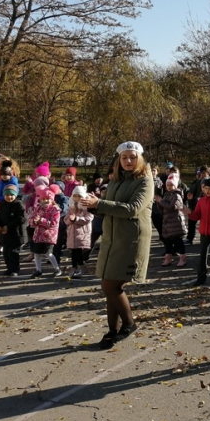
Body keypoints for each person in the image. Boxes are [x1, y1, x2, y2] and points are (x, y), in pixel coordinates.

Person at [79, 141, 155, 349]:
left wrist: (100, 204)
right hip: (112, 238)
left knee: (110, 285)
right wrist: (94, 204)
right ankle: (113, 330)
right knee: (110, 285)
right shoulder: (115, 180)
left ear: (139, 159)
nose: (128, 161)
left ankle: (129, 324)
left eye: (132, 157)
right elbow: (110, 207)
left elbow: (132, 208)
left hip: (131, 239)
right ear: (118, 160)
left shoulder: (145, 180)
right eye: (124, 158)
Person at [27, 186, 61, 278]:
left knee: (48, 253)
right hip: (38, 235)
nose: (45, 201)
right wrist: (34, 221)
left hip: (49, 236)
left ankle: (57, 268)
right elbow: (30, 219)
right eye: (43, 199)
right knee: (36, 253)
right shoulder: (37, 208)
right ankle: (38, 270)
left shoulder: (55, 210)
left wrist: (41, 220)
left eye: (48, 199)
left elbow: (54, 223)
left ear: (52, 199)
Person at [0, 184, 26, 276]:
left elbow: (21, 219)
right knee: (6, 253)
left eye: (11, 195)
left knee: (13, 253)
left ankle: (15, 269)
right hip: (4, 234)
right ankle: (9, 268)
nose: (9, 197)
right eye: (7, 195)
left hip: (16, 234)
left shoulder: (18, 205)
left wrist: (8, 226)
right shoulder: (1, 204)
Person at [159, 173, 188, 267]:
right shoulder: (166, 195)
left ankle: (182, 258)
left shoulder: (177, 195)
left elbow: (172, 206)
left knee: (178, 241)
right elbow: (162, 209)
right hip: (167, 223)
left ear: (175, 185)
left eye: (171, 185)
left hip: (176, 222)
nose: (169, 187)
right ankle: (168, 258)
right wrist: (158, 202)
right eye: (168, 185)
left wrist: (161, 201)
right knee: (168, 242)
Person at [65, 186, 93, 278]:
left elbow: (88, 218)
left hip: (82, 233)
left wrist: (76, 219)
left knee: (79, 251)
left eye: (79, 196)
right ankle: (74, 267)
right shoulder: (72, 207)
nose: (77, 199)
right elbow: (66, 219)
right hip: (72, 233)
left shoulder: (87, 207)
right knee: (73, 251)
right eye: (75, 196)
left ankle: (81, 267)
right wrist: (70, 219)